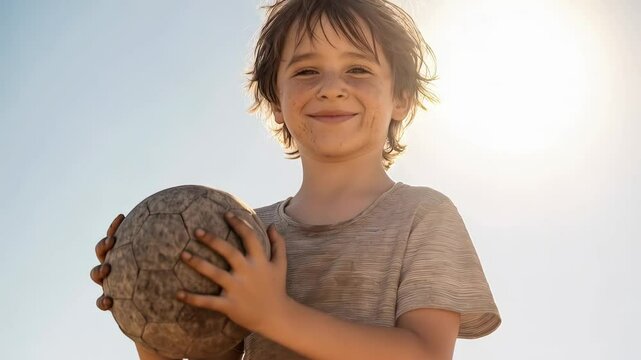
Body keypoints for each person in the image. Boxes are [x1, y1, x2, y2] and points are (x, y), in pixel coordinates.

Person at [90, 0, 502, 359]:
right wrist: (152, 318)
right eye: (307, 71)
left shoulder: (423, 216)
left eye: (358, 68)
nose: (331, 88)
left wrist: (275, 315)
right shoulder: (248, 231)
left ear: (400, 98)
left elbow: (426, 354)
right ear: (276, 102)